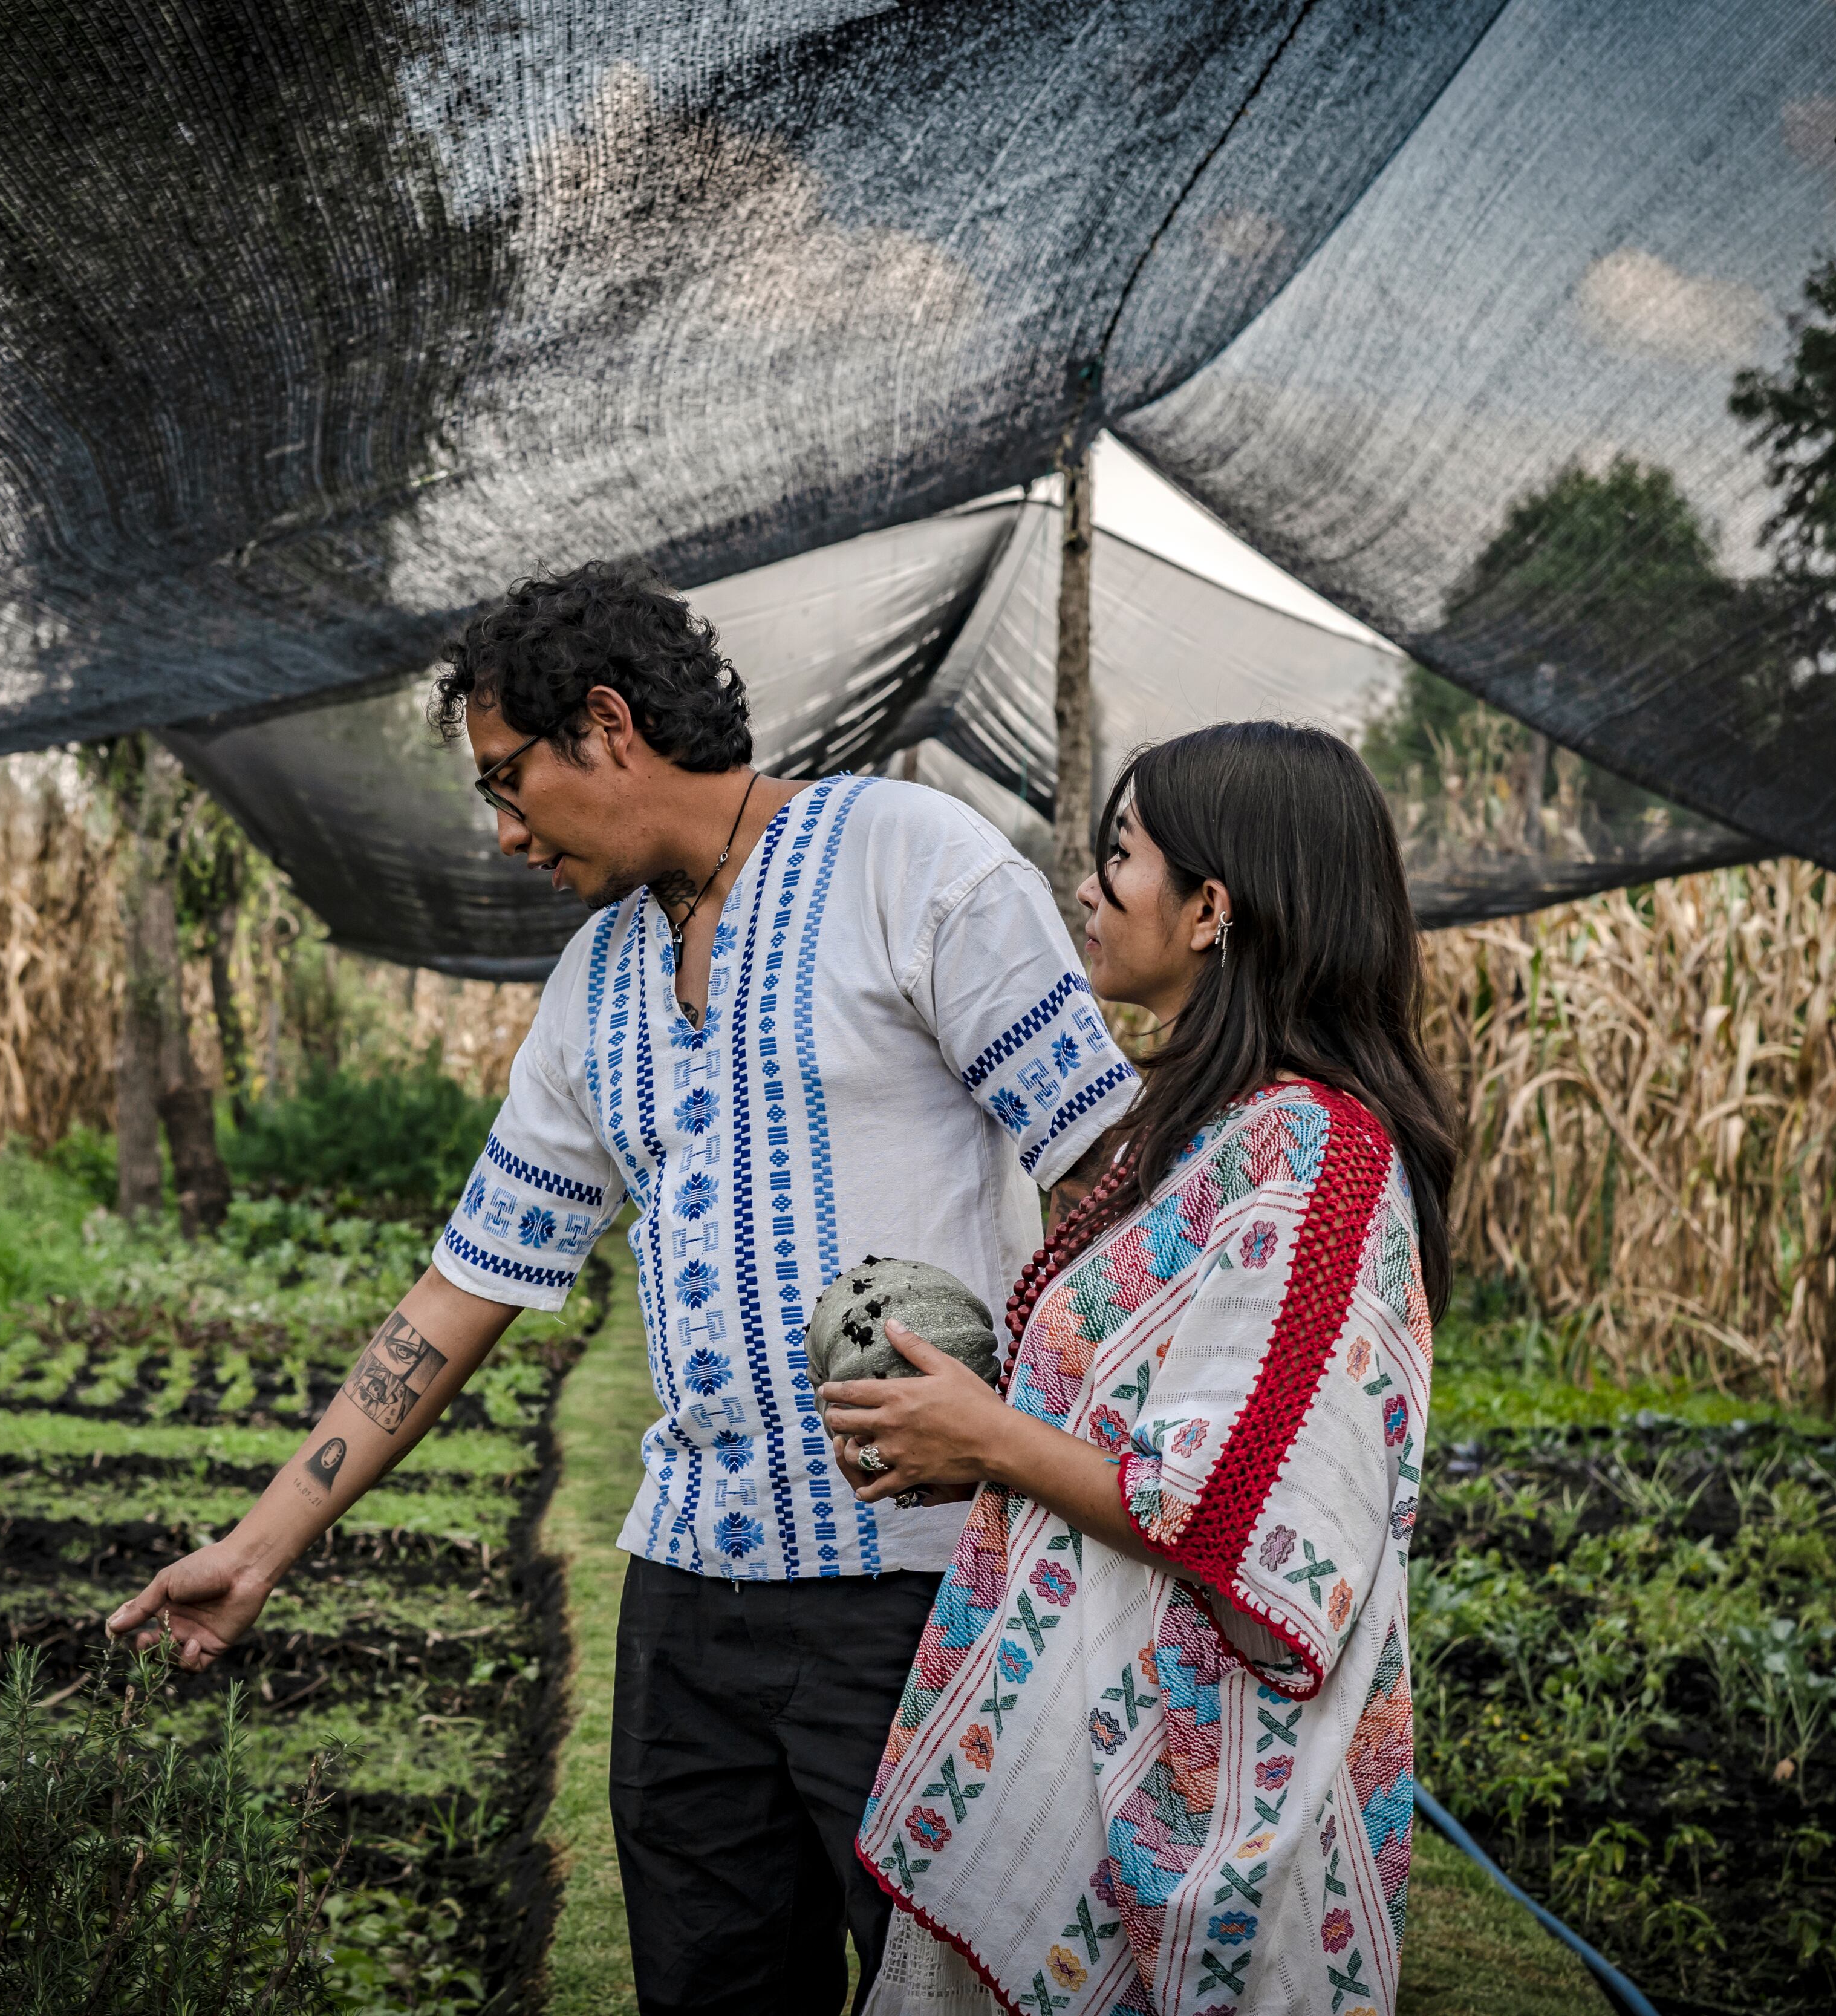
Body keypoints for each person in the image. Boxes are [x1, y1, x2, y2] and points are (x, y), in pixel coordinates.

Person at [108, 563, 1138, 2014]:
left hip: (921, 1593)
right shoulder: (594, 981)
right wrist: (262, 1545)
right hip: (688, 1607)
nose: (506, 831)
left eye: (508, 780)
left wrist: (1119, 1480)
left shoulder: (915, 863)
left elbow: (1118, 1188)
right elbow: (462, 1288)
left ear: (606, 723)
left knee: (965, 1987)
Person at [824, 722, 1457, 2016]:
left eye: (1118, 857)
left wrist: (986, 1440)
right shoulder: (1207, 1131)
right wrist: (962, 1419)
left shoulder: (1315, 1162)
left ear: (1211, 906)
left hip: (1190, 1772)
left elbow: (1250, 1517)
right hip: (1068, 1741)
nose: (1088, 888)